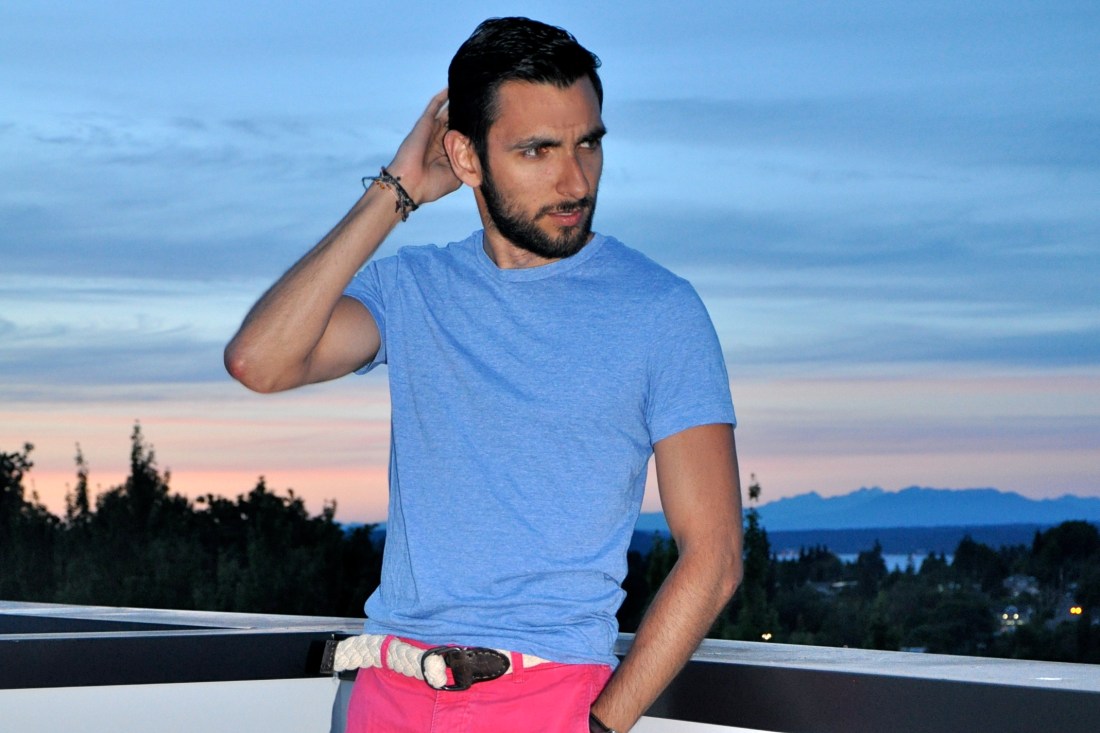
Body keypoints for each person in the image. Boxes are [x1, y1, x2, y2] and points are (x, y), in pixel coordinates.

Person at [225, 17, 743, 733]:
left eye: (588, 144)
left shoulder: (659, 310)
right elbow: (260, 361)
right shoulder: (414, 289)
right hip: (388, 693)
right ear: (466, 157)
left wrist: (598, 727)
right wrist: (397, 190)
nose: (574, 180)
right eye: (537, 150)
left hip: (550, 697)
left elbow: (714, 557)